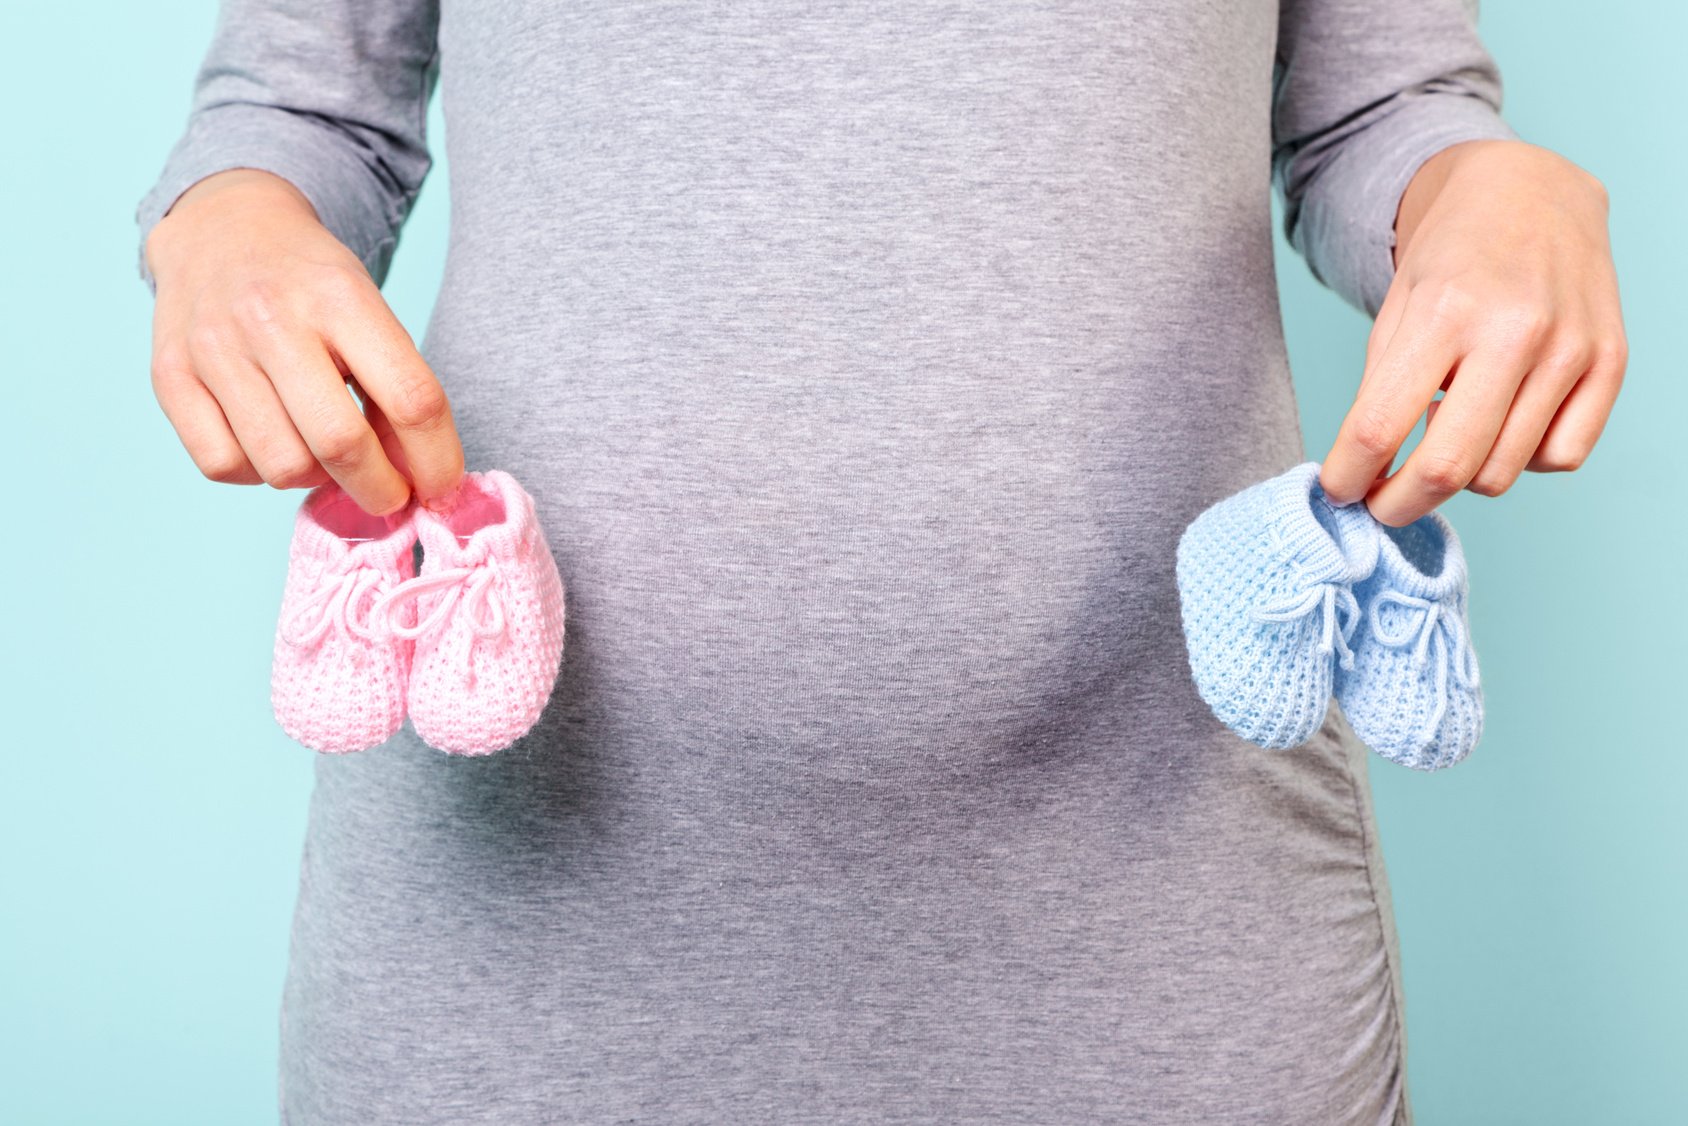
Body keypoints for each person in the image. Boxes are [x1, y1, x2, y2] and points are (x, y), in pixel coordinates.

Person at [134, 1, 1625, 1122]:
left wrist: (1481, 188)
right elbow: (300, 107)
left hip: (1169, 929)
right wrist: (231, 220)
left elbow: (1382, 111)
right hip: (514, 940)